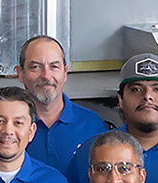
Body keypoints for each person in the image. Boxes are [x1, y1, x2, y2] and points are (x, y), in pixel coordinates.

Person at [17, 34, 108, 173]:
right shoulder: (7, 127)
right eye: (36, 67)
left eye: (54, 66)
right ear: (21, 74)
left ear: (65, 72)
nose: (46, 76)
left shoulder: (92, 126)